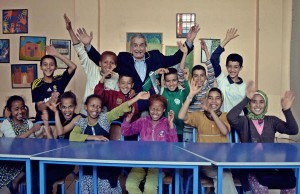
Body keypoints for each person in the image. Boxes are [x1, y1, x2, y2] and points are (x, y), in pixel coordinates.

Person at [77, 25, 200, 111]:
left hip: (153, 106)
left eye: (141, 45)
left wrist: (188, 41)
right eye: (135, 45)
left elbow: (175, 58)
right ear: (131, 47)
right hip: (131, 105)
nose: (138, 49)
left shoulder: (156, 56)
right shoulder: (123, 58)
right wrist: (88, 45)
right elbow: (104, 62)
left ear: (146, 46)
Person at [69, 92, 150, 194]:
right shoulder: (82, 123)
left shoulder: (105, 119)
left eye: (99, 106)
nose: (95, 109)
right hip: (88, 161)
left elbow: (119, 109)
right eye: (92, 105)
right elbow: (73, 136)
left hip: (105, 161)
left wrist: (137, 98)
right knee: (86, 178)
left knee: (107, 179)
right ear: (85, 107)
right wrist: (94, 137)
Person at [227, 81, 298, 193]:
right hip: (252, 167)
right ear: (249, 105)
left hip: (270, 165)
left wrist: (287, 111)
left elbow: (293, 130)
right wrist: (246, 98)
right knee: (260, 186)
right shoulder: (244, 121)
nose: (258, 105)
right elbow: (230, 117)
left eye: (261, 102)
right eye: (253, 102)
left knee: (291, 184)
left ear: (265, 104)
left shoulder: (272, 120)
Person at [178, 81, 238, 194]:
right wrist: (190, 96)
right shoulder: (199, 116)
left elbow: (224, 131)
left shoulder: (225, 116)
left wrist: (211, 111)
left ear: (222, 101)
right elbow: (181, 116)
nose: (214, 101)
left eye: (217, 98)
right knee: (225, 176)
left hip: (223, 161)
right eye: (210, 98)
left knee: (225, 175)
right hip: (205, 162)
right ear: (206, 100)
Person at [121, 94, 178, 194]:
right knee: (129, 185)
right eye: (152, 108)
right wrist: (128, 120)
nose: (155, 111)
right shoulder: (143, 121)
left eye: (159, 109)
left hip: (159, 165)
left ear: (164, 109)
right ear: (149, 108)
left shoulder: (167, 123)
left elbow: (174, 144)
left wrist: (171, 125)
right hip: (141, 162)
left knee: (150, 187)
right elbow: (125, 132)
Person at [64, 14, 119, 115]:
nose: (108, 65)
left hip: (105, 117)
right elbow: (80, 51)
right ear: (100, 63)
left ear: (115, 65)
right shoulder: (92, 69)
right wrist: (70, 30)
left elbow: (117, 99)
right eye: (105, 62)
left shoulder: (117, 77)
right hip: (86, 114)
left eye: (112, 63)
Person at [0, 95, 49, 194]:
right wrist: (32, 130)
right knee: (34, 165)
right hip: (12, 159)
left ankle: (36, 188)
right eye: (16, 109)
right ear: (10, 110)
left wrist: (42, 136)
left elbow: (31, 140)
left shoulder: (28, 122)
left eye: (22, 108)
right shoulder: (6, 123)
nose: (20, 111)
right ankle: (15, 181)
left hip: (26, 157)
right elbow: (14, 141)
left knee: (37, 163)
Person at [31, 45, 77, 122]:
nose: (48, 67)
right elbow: (40, 107)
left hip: (59, 122)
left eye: (51, 64)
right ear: (41, 67)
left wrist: (56, 54)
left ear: (56, 67)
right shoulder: (36, 83)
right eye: (45, 64)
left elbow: (73, 66)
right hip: (43, 122)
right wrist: (50, 101)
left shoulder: (60, 80)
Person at [183, 39, 216, 142]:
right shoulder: (187, 88)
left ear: (206, 78)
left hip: (202, 129)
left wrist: (206, 51)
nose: (199, 79)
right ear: (192, 77)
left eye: (202, 76)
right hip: (188, 128)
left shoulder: (207, 89)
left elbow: (211, 71)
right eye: (196, 76)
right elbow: (180, 73)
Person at [210, 28, 246, 113]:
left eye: (236, 67)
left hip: (239, 123)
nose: (232, 70)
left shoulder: (245, 87)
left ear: (241, 68)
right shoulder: (221, 79)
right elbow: (214, 58)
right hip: (223, 122)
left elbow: (246, 108)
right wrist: (227, 39)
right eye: (230, 66)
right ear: (226, 67)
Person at [94, 74, 139, 140]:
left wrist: (154, 86)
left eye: (129, 83)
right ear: (118, 84)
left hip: (130, 132)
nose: (126, 86)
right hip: (114, 130)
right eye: (123, 83)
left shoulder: (136, 98)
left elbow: (147, 100)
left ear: (132, 85)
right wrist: (103, 77)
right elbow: (98, 96)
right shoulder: (112, 94)